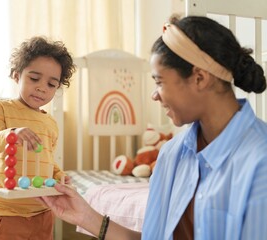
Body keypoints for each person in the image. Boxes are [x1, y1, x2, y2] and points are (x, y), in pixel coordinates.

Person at [39, 16, 267, 240]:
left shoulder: (259, 161)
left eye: (159, 82)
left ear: (199, 78)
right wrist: (85, 216)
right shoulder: (172, 154)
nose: (154, 94)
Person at [0, 36, 75, 240]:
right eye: (34, 78)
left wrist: (59, 176)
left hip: (42, 211)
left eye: (51, 84)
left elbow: (46, 161)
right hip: (7, 211)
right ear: (16, 75)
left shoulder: (50, 123)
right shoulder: (2, 109)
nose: (42, 87)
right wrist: (10, 134)